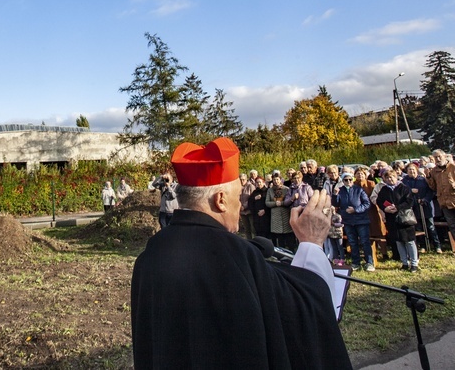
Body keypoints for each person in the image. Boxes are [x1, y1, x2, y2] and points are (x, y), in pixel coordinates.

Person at [131, 138, 351, 369]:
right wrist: (312, 243)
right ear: (221, 200)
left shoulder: (149, 257)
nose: (241, 205)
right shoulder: (236, 257)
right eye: (238, 197)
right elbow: (305, 310)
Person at [377, 168, 419, 272]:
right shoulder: (384, 190)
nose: (390, 179)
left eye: (392, 177)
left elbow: (409, 201)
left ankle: (414, 263)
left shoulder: (404, 188)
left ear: (396, 177)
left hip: (405, 217)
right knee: (399, 241)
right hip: (392, 218)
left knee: (409, 241)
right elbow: (379, 201)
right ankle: (404, 262)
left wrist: (397, 207)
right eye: (387, 178)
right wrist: (385, 208)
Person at [334, 172, 375, 271]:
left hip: (361, 220)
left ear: (352, 180)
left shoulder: (359, 189)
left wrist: (356, 210)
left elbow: (366, 203)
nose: (348, 182)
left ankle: (369, 262)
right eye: (345, 180)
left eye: (350, 179)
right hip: (348, 221)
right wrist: (335, 195)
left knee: (365, 242)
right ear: (343, 181)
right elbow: (336, 203)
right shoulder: (340, 191)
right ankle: (356, 262)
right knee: (352, 242)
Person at [402, 162, 441, 254]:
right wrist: (410, 191)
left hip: (426, 206)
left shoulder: (423, 180)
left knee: (430, 226)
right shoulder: (404, 181)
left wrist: (425, 200)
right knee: (418, 227)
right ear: (407, 171)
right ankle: (423, 245)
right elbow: (402, 193)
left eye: (413, 169)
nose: (412, 171)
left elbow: (430, 191)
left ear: (417, 170)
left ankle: (437, 245)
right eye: (409, 170)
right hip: (414, 207)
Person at [426, 149, 455, 250]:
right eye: (435, 157)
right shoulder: (433, 171)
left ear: (444, 156)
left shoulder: (453, 167)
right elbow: (433, 187)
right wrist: (428, 177)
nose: (438, 159)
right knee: (452, 226)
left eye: (439, 156)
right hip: (444, 203)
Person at [266, 172, 295, 250]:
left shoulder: (286, 189)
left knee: (288, 234)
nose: (276, 181)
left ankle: (291, 250)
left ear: (280, 180)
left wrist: (282, 203)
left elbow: (289, 200)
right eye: (274, 180)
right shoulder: (270, 190)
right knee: (279, 236)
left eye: (277, 179)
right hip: (275, 216)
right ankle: (281, 251)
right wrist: (275, 203)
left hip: (285, 214)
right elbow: (267, 202)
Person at [239, 170, 258, 239]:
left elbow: (252, 198)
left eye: (243, 179)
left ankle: (255, 242)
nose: (242, 181)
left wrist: (244, 206)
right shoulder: (238, 187)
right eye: (240, 179)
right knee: (247, 229)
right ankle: (249, 242)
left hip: (250, 210)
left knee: (253, 228)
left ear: (246, 179)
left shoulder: (250, 186)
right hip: (242, 212)